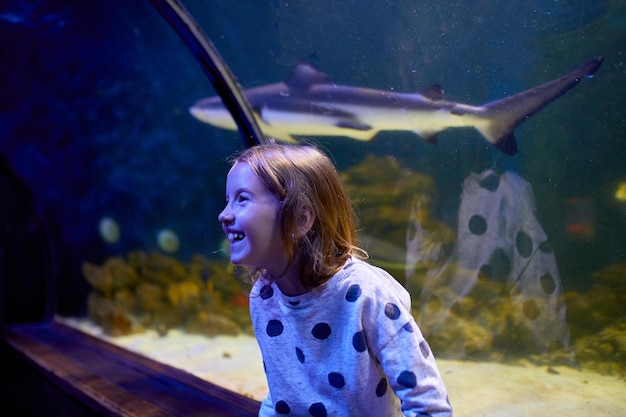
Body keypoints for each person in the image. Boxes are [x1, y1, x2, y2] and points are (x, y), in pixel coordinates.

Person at [218, 142, 452, 417]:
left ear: (300, 219)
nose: (224, 214)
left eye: (242, 199)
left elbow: (429, 406)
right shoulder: (264, 297)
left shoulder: (366, 296)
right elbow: (284, 395)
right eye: (227, 200)